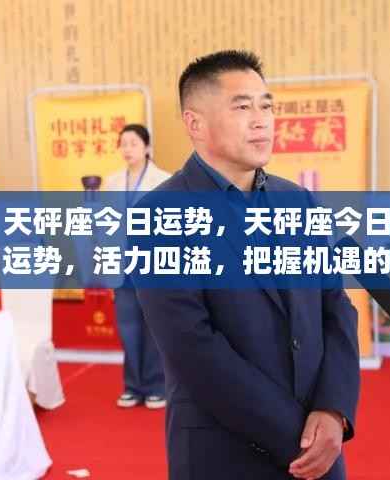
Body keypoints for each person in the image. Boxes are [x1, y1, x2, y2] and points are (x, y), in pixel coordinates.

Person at [135, 51, 360, 479]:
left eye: (266, 106)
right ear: (195, 124)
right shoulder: (159, 213)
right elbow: (192, 346)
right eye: (242, 107)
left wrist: (334, 410)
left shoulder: (297, 200)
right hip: (224, 451)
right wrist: (298, 435)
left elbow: (336, 306)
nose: (261, 121)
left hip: (320, 449)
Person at [104, 124, 170, 409]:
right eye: (123, 144)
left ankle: (156, 386)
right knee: (128, 328)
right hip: (123, 267)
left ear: (147, 147)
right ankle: (132, 386)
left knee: (154, 328)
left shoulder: (163, 180)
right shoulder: (112, 182)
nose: (127, 149)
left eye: (133, 143)